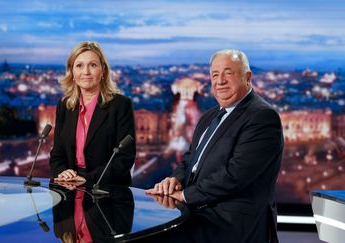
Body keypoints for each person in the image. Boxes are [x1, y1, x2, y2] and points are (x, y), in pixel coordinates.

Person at [146, 49, 284, 242]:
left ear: (248, 77)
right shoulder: (210, 116)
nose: (220, 81)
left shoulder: (262, 117)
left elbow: (236, 175)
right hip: (200, 213)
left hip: (231, 223)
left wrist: (185, 195)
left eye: (229, 73)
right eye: (215, 75)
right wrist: (175, 180)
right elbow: (189, 160)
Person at [49, 41, 136, 186]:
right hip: (70, 186)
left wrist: (88, 179)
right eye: (79, 66)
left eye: (93, 65)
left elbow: (124, 158)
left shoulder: (120, 105)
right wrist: (62, 171)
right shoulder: (65, 106)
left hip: (107, 189)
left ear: (103, 71)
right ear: (72, 73)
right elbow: (57, 154)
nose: (86, 72)